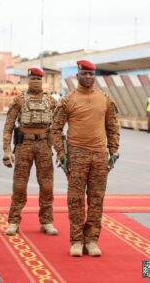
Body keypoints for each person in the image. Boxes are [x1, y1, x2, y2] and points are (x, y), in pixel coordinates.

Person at [52, 60, 120, 257]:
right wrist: (62, 154)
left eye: (92, 74)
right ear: (78, 75)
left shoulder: (105, 99)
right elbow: (55, 129)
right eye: (85, 74)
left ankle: (91, 240)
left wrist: (113, 151)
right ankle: (76, 240)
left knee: (97, 199)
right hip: (76, 154)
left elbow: (113, 127)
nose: (89, 77)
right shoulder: (68, 100)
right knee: (75, 199)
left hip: (100, 155)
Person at [2, 66, 58, 236]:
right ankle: (13, 221)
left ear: (43, 81)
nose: (35, 81)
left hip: (44, 146)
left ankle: (47, 221)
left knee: (47, 186)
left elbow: (57, 125)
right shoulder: (19, 99)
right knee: (19, 186)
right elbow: (9, 125)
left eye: (38, 79)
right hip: (24, 146)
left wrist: (59, 149)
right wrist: (6, 151)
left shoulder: (51, 101)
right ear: (28, 80)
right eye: (32, 78)